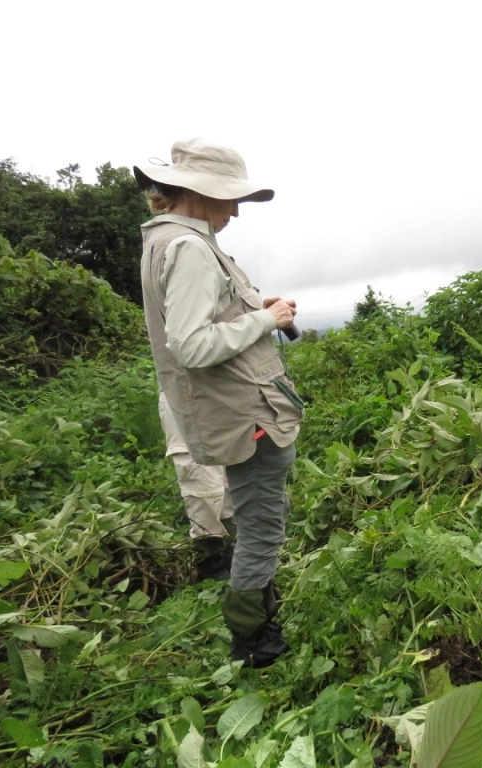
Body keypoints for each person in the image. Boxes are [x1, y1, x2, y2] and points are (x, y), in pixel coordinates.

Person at [135, 138, 304, 668]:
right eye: (229, 198)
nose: (234, 210)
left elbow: (200, 319)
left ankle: (257, 617)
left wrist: (255, 305)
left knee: (257, 518)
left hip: (233, 407)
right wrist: (265, 320)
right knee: (261, 527)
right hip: (243, 412)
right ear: (197, 193)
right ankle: (254, 639)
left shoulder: (171, 240)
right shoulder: (188, 247)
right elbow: (191, 345)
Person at [158, 390, 237, 582]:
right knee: (203, 490)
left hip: (220, 405)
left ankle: (233, 556)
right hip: (186, 406)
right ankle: (210, 566)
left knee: (229, 485)